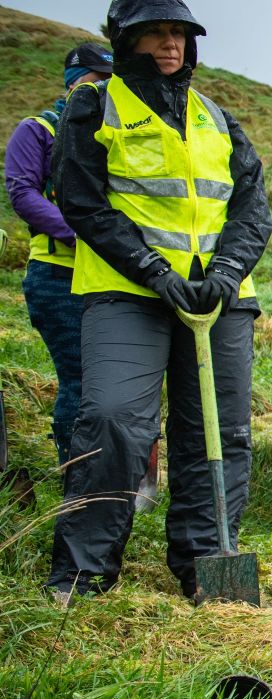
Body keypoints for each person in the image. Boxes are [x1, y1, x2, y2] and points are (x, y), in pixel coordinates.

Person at [47, 0, 270, 601]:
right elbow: (82, 199)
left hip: (218, 299)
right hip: (128, 293)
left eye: (179, 34)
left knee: (218, 433)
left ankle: (206, 562)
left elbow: (252, 205)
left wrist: (226, 270)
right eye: (155, 34)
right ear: (125, 40)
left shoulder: (216, 116)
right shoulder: (95, 105)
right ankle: (83, 568)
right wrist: (151, 269)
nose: (170, 45)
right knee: (115, 419)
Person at [5, 42, 112, 464]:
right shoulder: (38, 129)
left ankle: (119, 477)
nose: (103, 89)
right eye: (95, 80)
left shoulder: (117, 133)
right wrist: (81, 233)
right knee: (81, 380)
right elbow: (21, 192)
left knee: (116, 384)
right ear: (73, 82)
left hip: (113, 278)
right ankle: (78, 475)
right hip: (58, 276)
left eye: (111, 81)